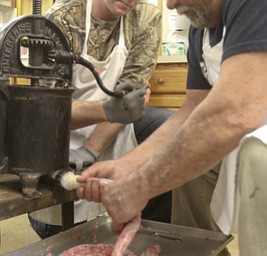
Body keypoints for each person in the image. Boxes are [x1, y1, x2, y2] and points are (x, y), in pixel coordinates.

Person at [76, 0, 267, 255]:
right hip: (247, 129)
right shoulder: (200, 30)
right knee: (188, 152)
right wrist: (127, 166)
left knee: (258, 157)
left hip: (257, 141)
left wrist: (138, 187)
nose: (169, 4)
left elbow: (235, 113)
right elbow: (189, 114)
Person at [28, 0, 173, 239]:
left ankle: (148, 233)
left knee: (168, 129)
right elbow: (44, 114)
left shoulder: (145, 17)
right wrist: (107, 110)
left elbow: (129, 105)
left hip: (114, 131)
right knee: (71, 240)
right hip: (58, 138)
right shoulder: (61, 19)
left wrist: (90, 149)